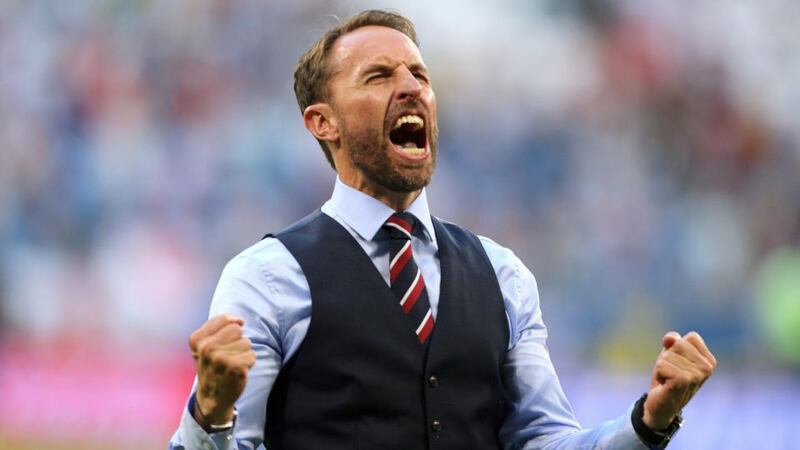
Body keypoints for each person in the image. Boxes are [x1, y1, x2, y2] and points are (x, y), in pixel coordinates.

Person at [169, 9, 716, 450]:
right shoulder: (266, 278)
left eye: (420, 75)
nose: (411, 88)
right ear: (323, 121)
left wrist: (649, 422)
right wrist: (211, 413)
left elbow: (546, 441)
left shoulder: (503, 275)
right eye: (379, 76)